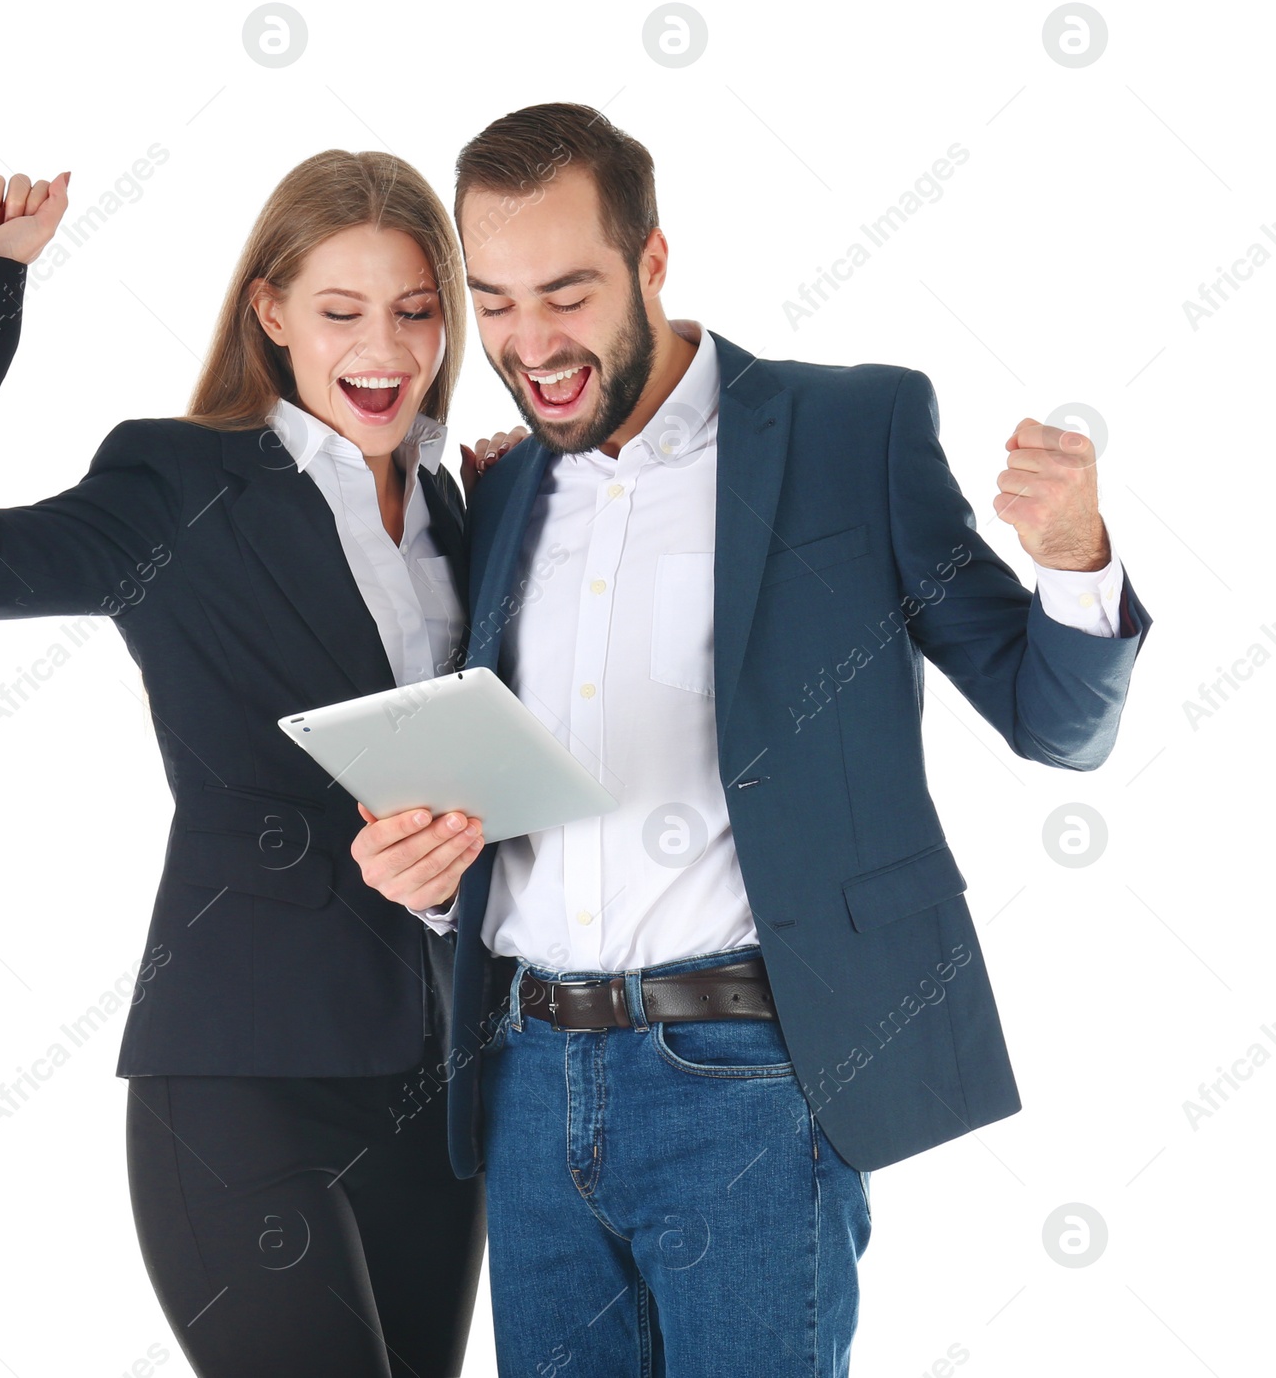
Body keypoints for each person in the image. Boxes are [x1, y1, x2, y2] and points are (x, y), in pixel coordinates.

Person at [352, 103, 1153, 1377]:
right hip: (522, 1080)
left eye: (567, 293)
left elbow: (1051, 719)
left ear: (653, 264)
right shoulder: (501, 486)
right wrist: (430, 871)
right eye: (493, 301)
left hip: (744, 1081)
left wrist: (1071, 565)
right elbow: (506, 792)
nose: (528, 342)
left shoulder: (850, 433)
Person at [0, 152, 517, 1377]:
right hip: (240, 1075)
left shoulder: (459, 511)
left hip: (436, 1081)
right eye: (339, 311)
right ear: (268, 312)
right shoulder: (176, 486)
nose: (385, 347)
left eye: (416, 309)